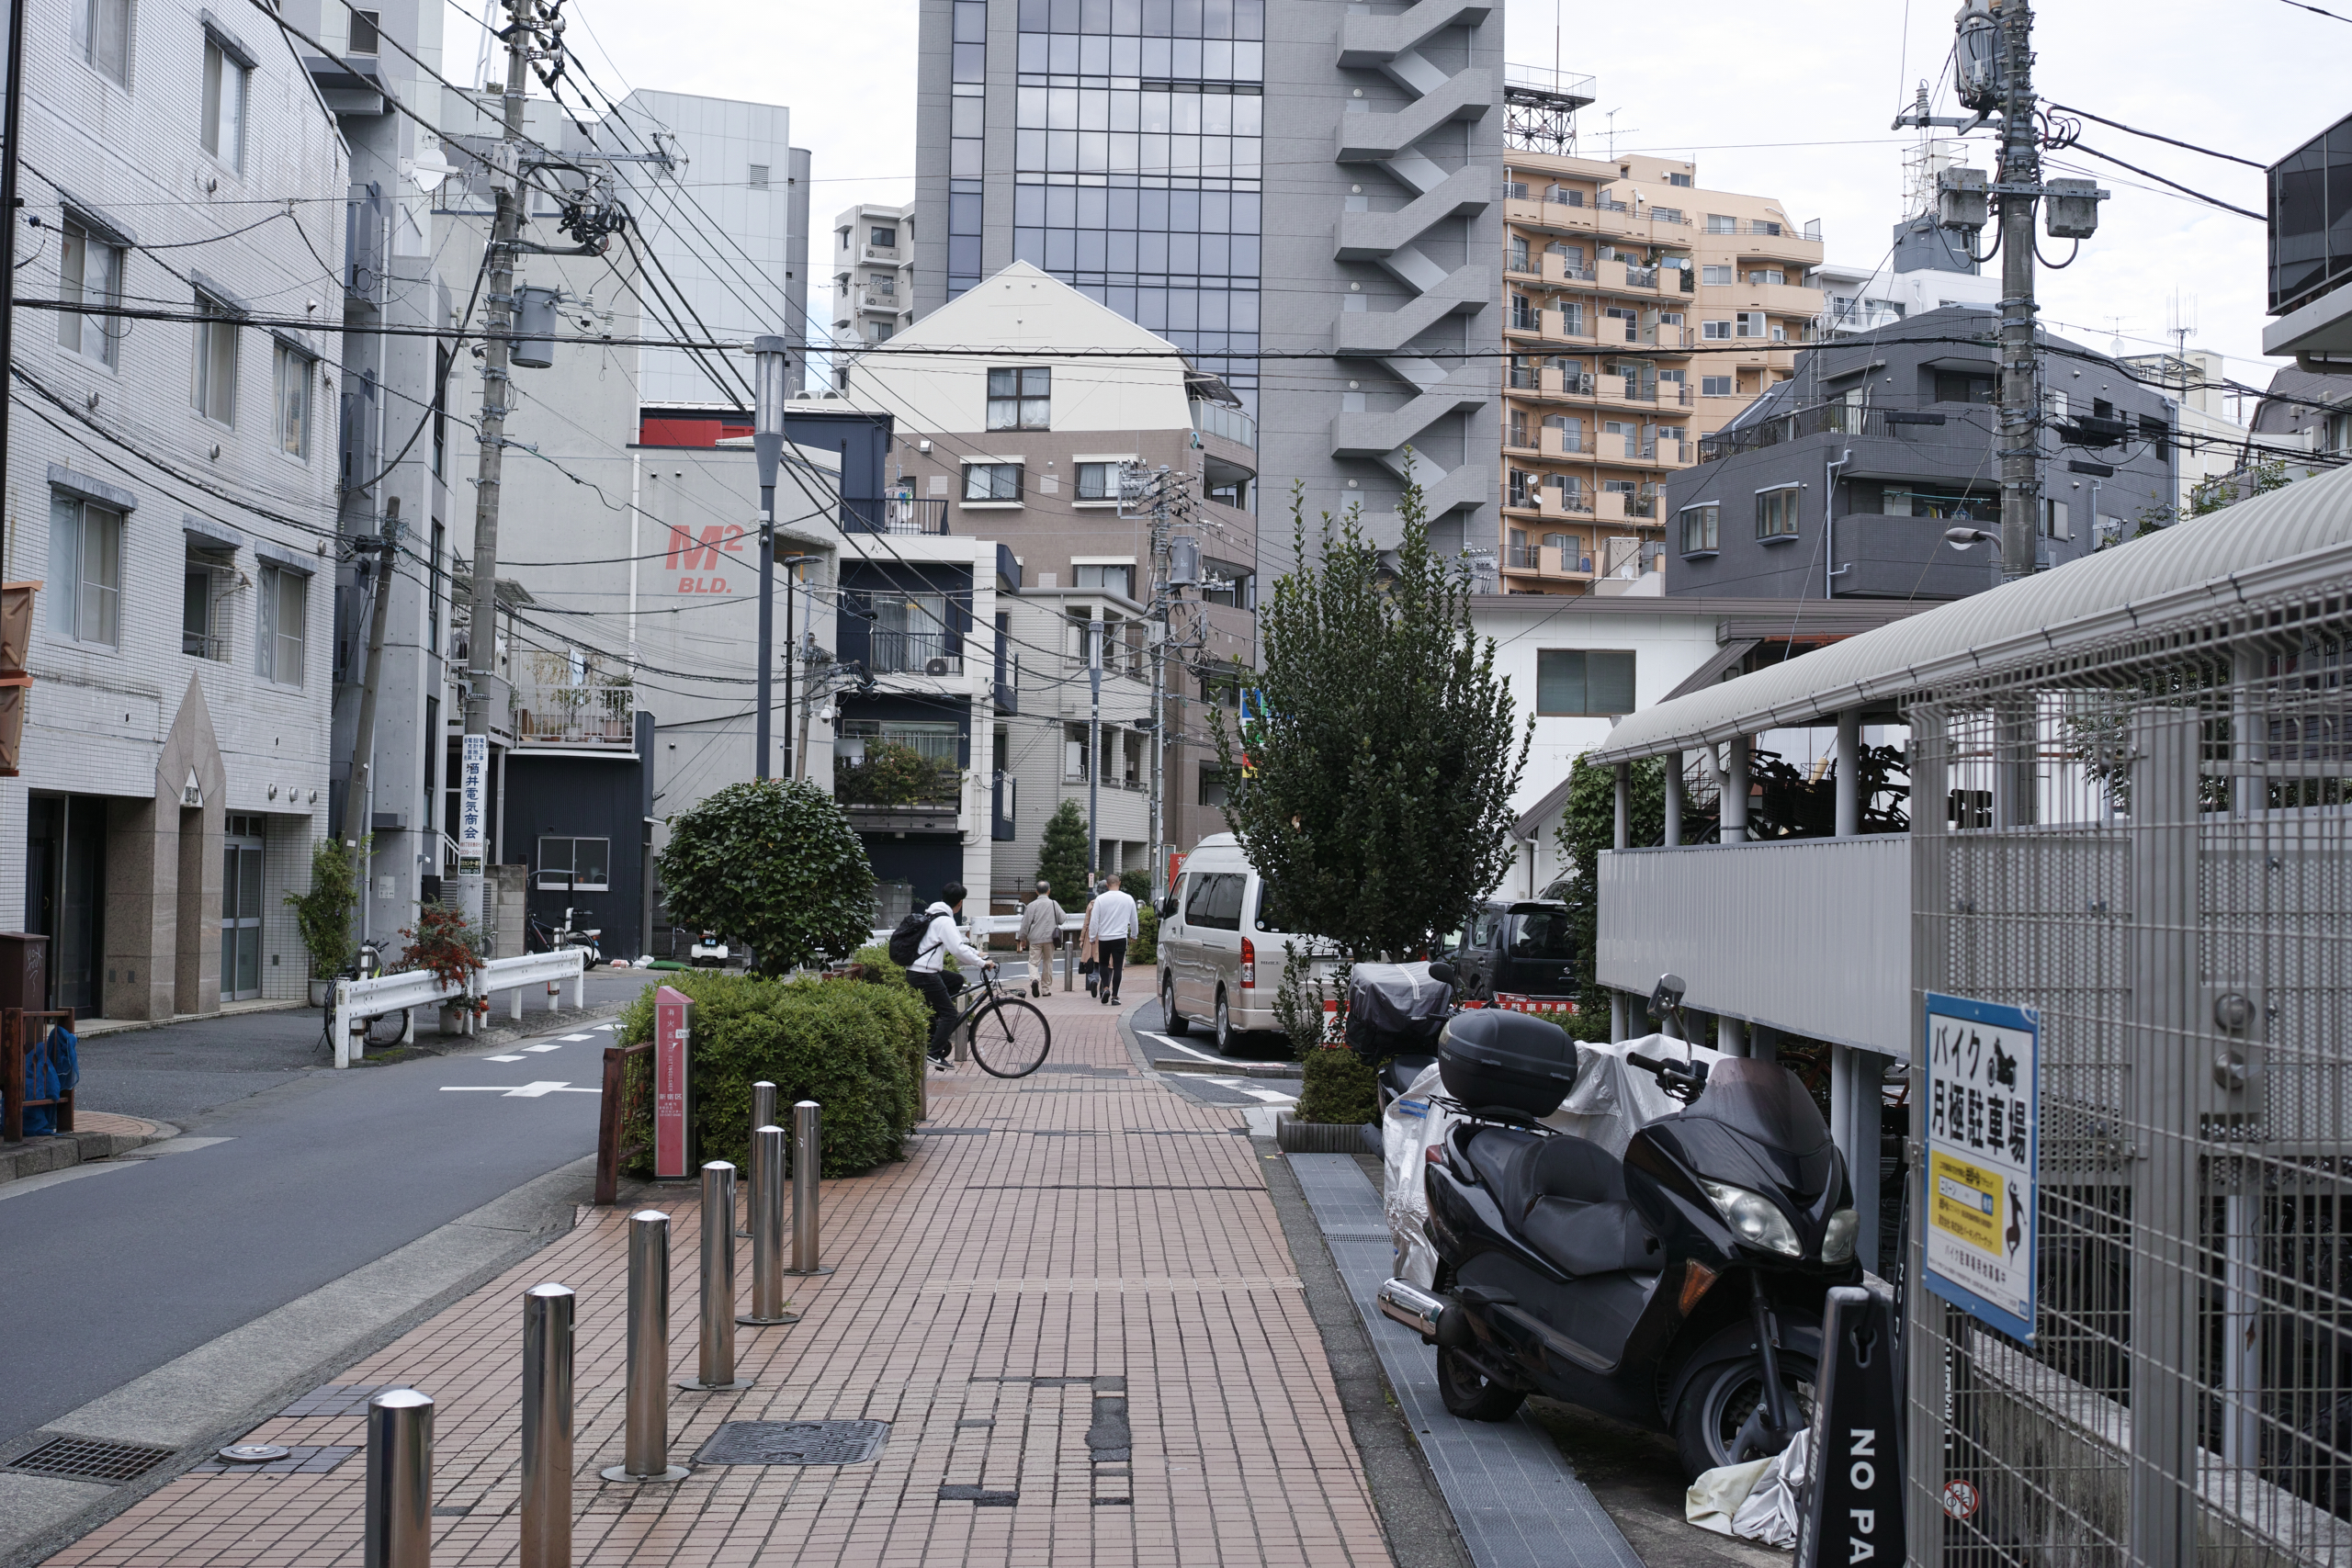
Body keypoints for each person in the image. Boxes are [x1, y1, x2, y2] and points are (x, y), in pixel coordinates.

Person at [905, 882, 993, 1066]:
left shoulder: (933, 914)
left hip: (918, 970)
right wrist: (982, 963)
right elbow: (957, 949)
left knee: (956, 980)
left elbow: (956, 943)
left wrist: (977, 954)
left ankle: (936, 1027)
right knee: (950, 1014)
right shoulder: (945, 920)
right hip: (924, 973)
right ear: (960, 903)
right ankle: (934, 1052)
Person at [1089, 872, 1138, 1007]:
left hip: (1104, 937)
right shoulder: (1128, 898)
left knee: (1103, 964)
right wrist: (1134, 935)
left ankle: (1105, 988)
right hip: (1120, 937)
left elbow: (1094, 920)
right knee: (1117, 967)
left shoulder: (1100, 899)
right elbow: (1134, 919)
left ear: (1107, 884)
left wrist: (1092, 936)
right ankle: (1115, 996)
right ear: (1119, 883)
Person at [1017, 879, 1063, 998]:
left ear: (1036, 891)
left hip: (1035, 939)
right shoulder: (1054, 903)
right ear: (1049, 891)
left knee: (1033, 962)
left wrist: (1022, 938)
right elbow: (1062, 919)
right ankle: (1046, 990)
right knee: (1048, 962)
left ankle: (1034, 980)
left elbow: (1025, 924)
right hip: (1050, 938)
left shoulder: (1031, 905)